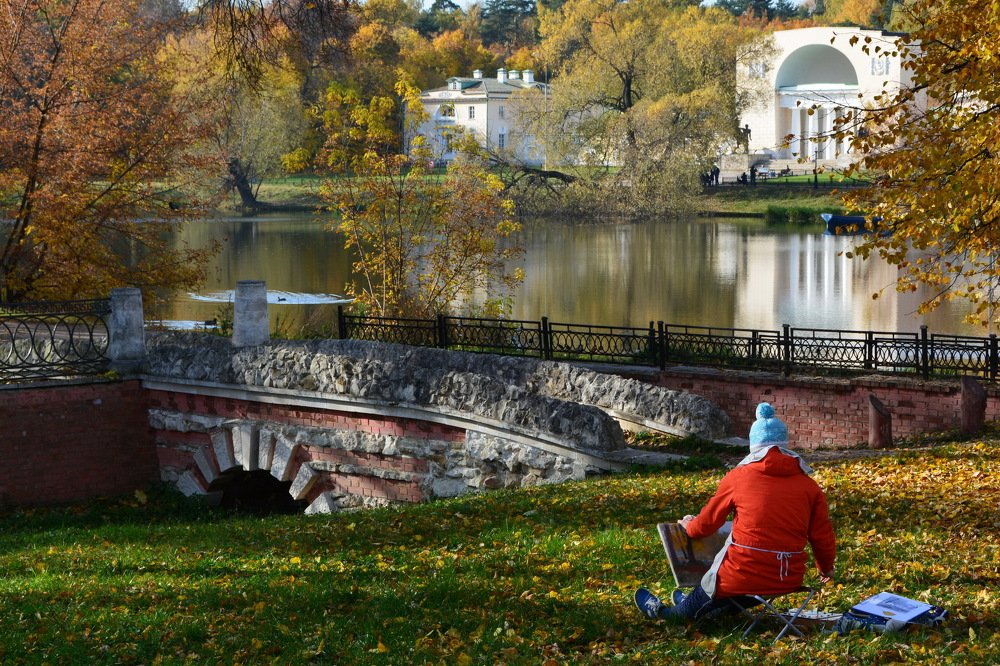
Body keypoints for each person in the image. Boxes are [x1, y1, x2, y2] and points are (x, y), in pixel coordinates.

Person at [634, 402, 837, 622]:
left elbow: (706, 525)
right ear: (785, 446)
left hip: (741, 573)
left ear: (753, 446)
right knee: (742, 588)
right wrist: (825, 569)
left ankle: (667, 613)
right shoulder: (809, 486)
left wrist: (687, 526)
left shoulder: (738, 478)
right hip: (786, 578)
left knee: (708, 594)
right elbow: (822, 536)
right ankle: (704, 609)